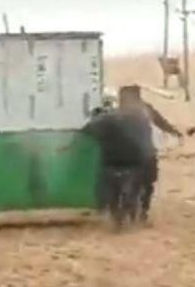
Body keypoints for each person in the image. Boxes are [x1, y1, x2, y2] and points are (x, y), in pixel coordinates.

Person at [73, 85, 183, 230]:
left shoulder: (128, 112)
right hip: (137, 157)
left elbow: (89, 129)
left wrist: (174, 132)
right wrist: (174, 132)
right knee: (138, 186)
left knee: (139, 186)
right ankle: (134, 215)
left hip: (136, 157)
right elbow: (160, 122)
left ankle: (136, 214)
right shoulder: (137, 111)